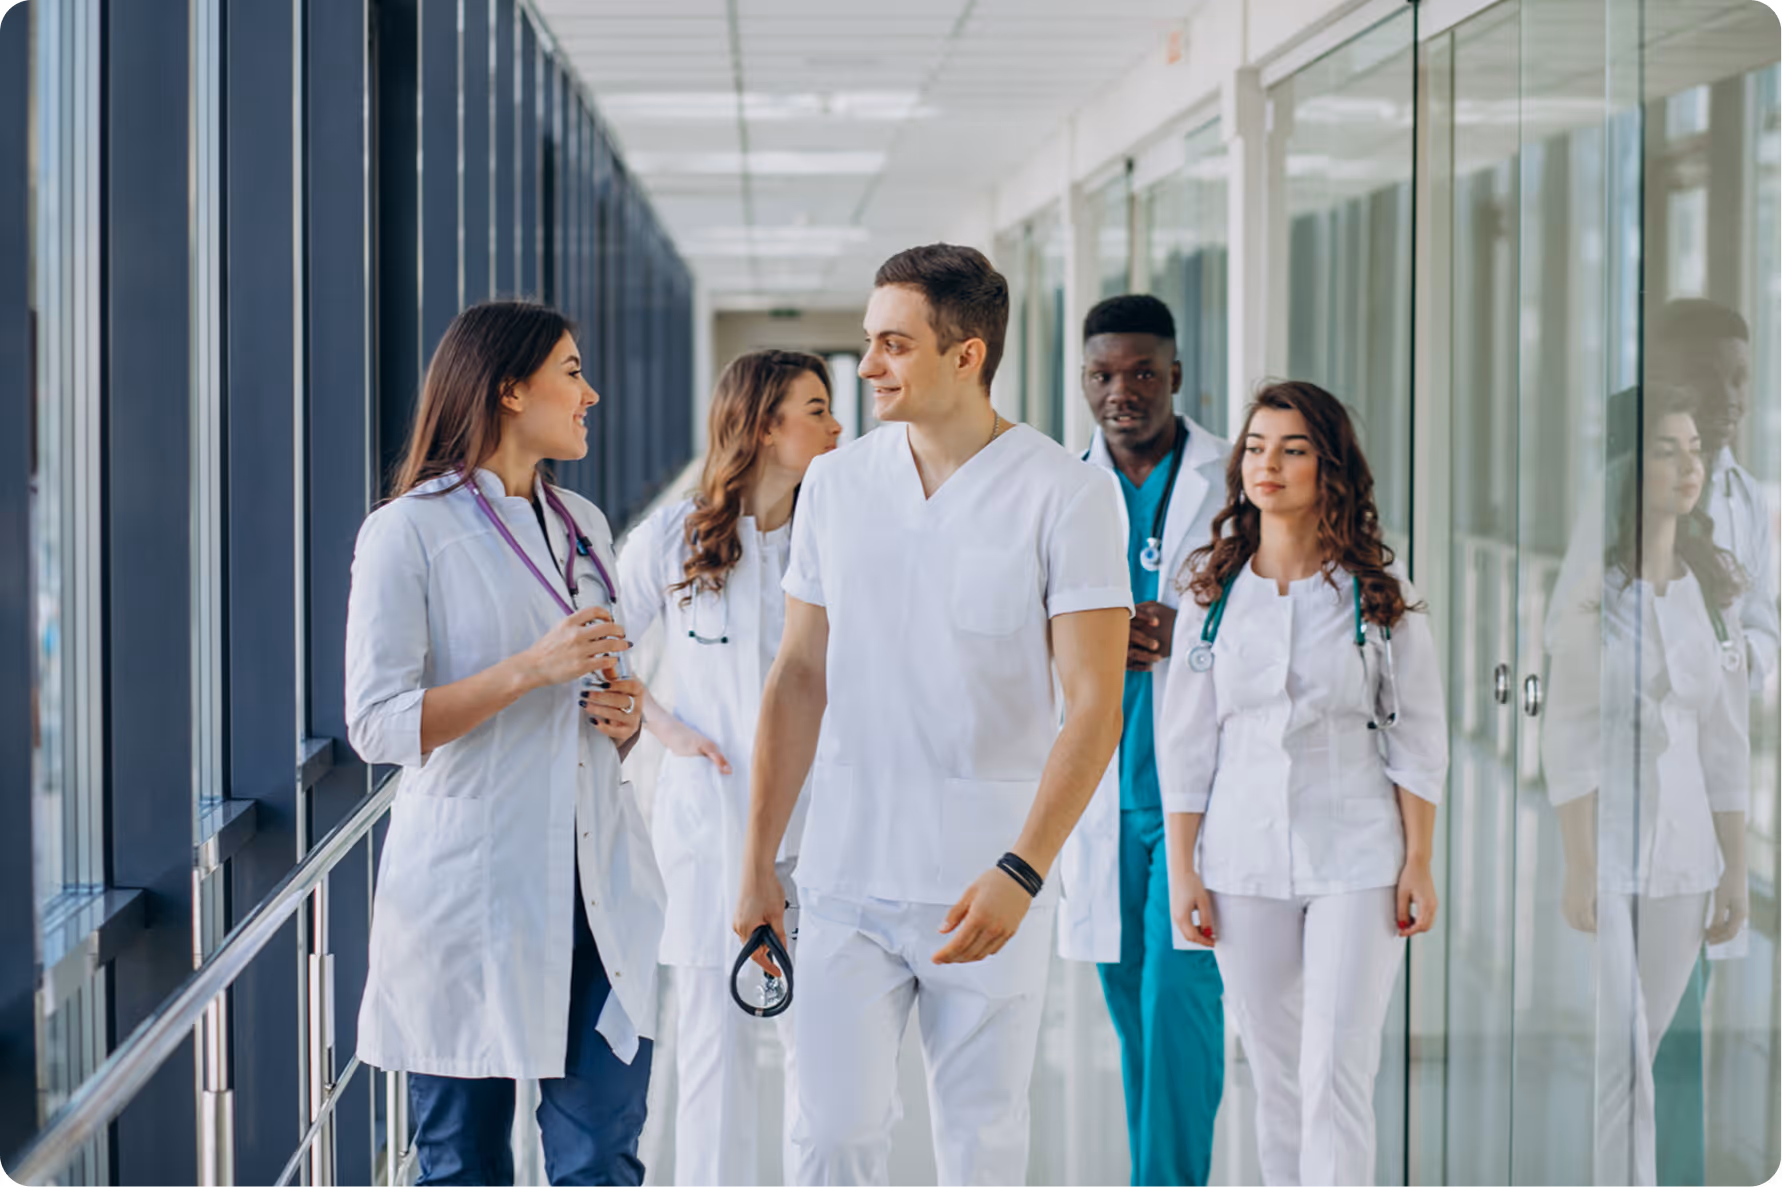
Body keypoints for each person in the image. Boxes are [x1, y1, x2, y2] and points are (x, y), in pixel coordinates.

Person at [731, 244, 1130, 1187]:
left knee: (982, 1143)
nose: (865, 367)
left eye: (892, 346)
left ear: (967, 355)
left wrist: (1023, 870)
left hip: (987, 883)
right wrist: (756, 862)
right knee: (828, 1137)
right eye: (869, 343)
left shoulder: (1064, 493)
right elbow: (797, 675)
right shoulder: (836, 484)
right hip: (844, 877)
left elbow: (1095, 704)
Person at [345, 301, 663, 1186]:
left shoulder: (585, 525)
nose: (590, 391)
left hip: (596, 889)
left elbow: (602, 688)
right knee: (461, 1165)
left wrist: (627, 718)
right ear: (510, 390)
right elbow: (375, 724)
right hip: (470, 896)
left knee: (602, 1156)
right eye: (571, 371)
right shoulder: (408, 532)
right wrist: (528, 669)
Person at [1159, 380, 1447, 1187]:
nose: (1268, 465)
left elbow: (1418, 735)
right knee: (1278, 1079)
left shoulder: (1382, 595)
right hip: (1241, 860)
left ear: (1330, 466)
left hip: (1358, 856)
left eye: (1292, 449)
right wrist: (1185, 867)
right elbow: (1183, 746)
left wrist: (1418, 857)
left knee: (1334, 1075)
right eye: (1255, 447)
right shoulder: (1210, 592)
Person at [616, 350, 840, 1187]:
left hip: (821, 829)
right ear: (764, 427)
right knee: (713, 1049)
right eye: (816, 408)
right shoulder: (676, 536)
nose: (837, 424)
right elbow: (598, 640)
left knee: (823, 1059)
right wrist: (661, 722)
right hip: (710, 829)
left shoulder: (840, 537)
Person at [1540, 390, 1750, 1187]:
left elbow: (1726, 746)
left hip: (1685, 857)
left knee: (1644, 1054)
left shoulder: (1710, 593)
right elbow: (1568, 728)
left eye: (1693, 447)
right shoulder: (1596, 592)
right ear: (1631, 468)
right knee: (1619, 1055)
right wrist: (1578, 860)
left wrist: (1734, 868)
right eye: (1667, 448)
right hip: (1609, 847)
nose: (1689, 464)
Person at [1055, 294, 1227, 1187]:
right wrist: (1084, 633)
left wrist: (1194, 624)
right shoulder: (1059, 483)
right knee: (1132, 1015)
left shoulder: (1235, 479)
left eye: (1143, 373)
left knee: (1179, 1004)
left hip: (1197, 792)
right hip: (1100, 791)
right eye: (1103, 375)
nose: (1123, 392)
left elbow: (1277, 606)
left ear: (1176, 376)